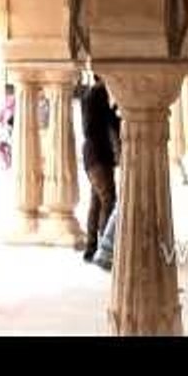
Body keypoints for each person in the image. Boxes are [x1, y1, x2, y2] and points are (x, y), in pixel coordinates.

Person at [80, 74, 121, 263]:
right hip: (99, 155)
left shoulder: (90, 94)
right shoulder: (99, 93)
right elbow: (110, 121)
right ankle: (104, 249)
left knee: (97, 201)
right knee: (108, 199)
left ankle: (91, 247)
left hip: (92, 155)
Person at [0, 89, 15, 170]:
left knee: (10, 148)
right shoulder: (4, 110)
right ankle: (6, 163)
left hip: (13, 133)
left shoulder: (16, 109)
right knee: (0, 146)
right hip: (6, 133)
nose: (8, 100)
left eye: (10, 99)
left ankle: (10, 162)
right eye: (7, 99)